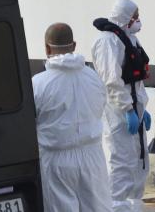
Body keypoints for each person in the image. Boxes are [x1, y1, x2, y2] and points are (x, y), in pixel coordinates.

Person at [34, 23, 112, 211]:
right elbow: (100, 108)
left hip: (56, 160)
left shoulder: (38, 84)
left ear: (46, 48)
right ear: (74, 45)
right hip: (92, 156)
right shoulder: (93, 78)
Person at [92, 0, 151, 212]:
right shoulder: (108, 42)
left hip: (134, 108)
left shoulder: (130, 39)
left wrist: (143, 108)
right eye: (134, 17)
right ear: (125, 18)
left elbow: (137, 81)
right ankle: (116, 207)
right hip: (118, 113)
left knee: (139, 164)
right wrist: (127, 109)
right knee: (121, 163)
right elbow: (112, 81)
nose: (137, 21)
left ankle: (135, 206)